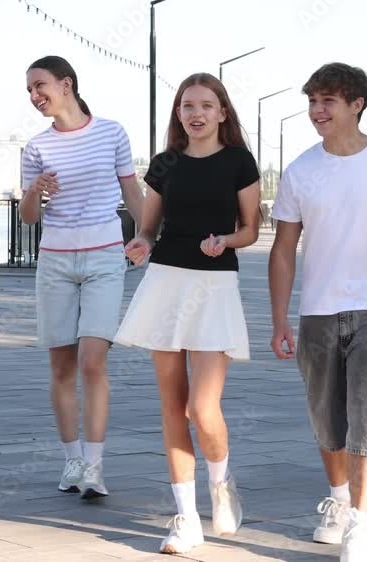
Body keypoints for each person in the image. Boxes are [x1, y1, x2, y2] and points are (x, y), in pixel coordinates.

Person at [268, 62, 367, 562]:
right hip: (318, 311)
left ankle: (361, 526)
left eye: (328, 101)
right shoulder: (300, 171)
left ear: (357, 104)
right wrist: (279, 319)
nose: (317, 111)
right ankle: (339, 500)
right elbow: (282, 249)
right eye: (312, 102)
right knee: (327, 419)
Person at [115, 72, 261, 554]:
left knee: (202, 408)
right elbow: (147, 229)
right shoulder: (165, 163)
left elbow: (250, 229)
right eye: (187, 106)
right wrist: (140, 244)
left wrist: (226, 240)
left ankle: (221, 483)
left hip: (214, 286)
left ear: (222, 113)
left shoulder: (239, 161)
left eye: (205, 105)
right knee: (172, 407)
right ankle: (186, 518)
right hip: (165, 284)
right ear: (178, 113)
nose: (195, 113)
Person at [19, 55, 144, 500]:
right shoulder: (36, 148)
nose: (35, 96)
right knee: (61, 366)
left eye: (40, 85)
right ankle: (71, 459)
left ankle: (94, 464)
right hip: (55, 262)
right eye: (29, 90)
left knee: (93, 361)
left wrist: (147, 236)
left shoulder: (111, 133)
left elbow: (131, 190)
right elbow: (29, 217)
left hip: (104, 258)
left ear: (66, 84)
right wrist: (35, 191)